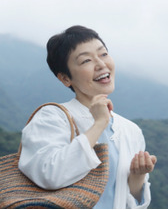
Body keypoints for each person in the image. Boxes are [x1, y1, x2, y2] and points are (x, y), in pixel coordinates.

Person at [18, 26, 156, 208]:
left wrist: (138, 176)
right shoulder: (51, 117)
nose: (100, 64)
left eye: (104, 54)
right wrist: (99, 124)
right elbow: (49, 174)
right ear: (65, 78)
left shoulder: (130, 130)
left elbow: (127, 200)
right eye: (86, 61)